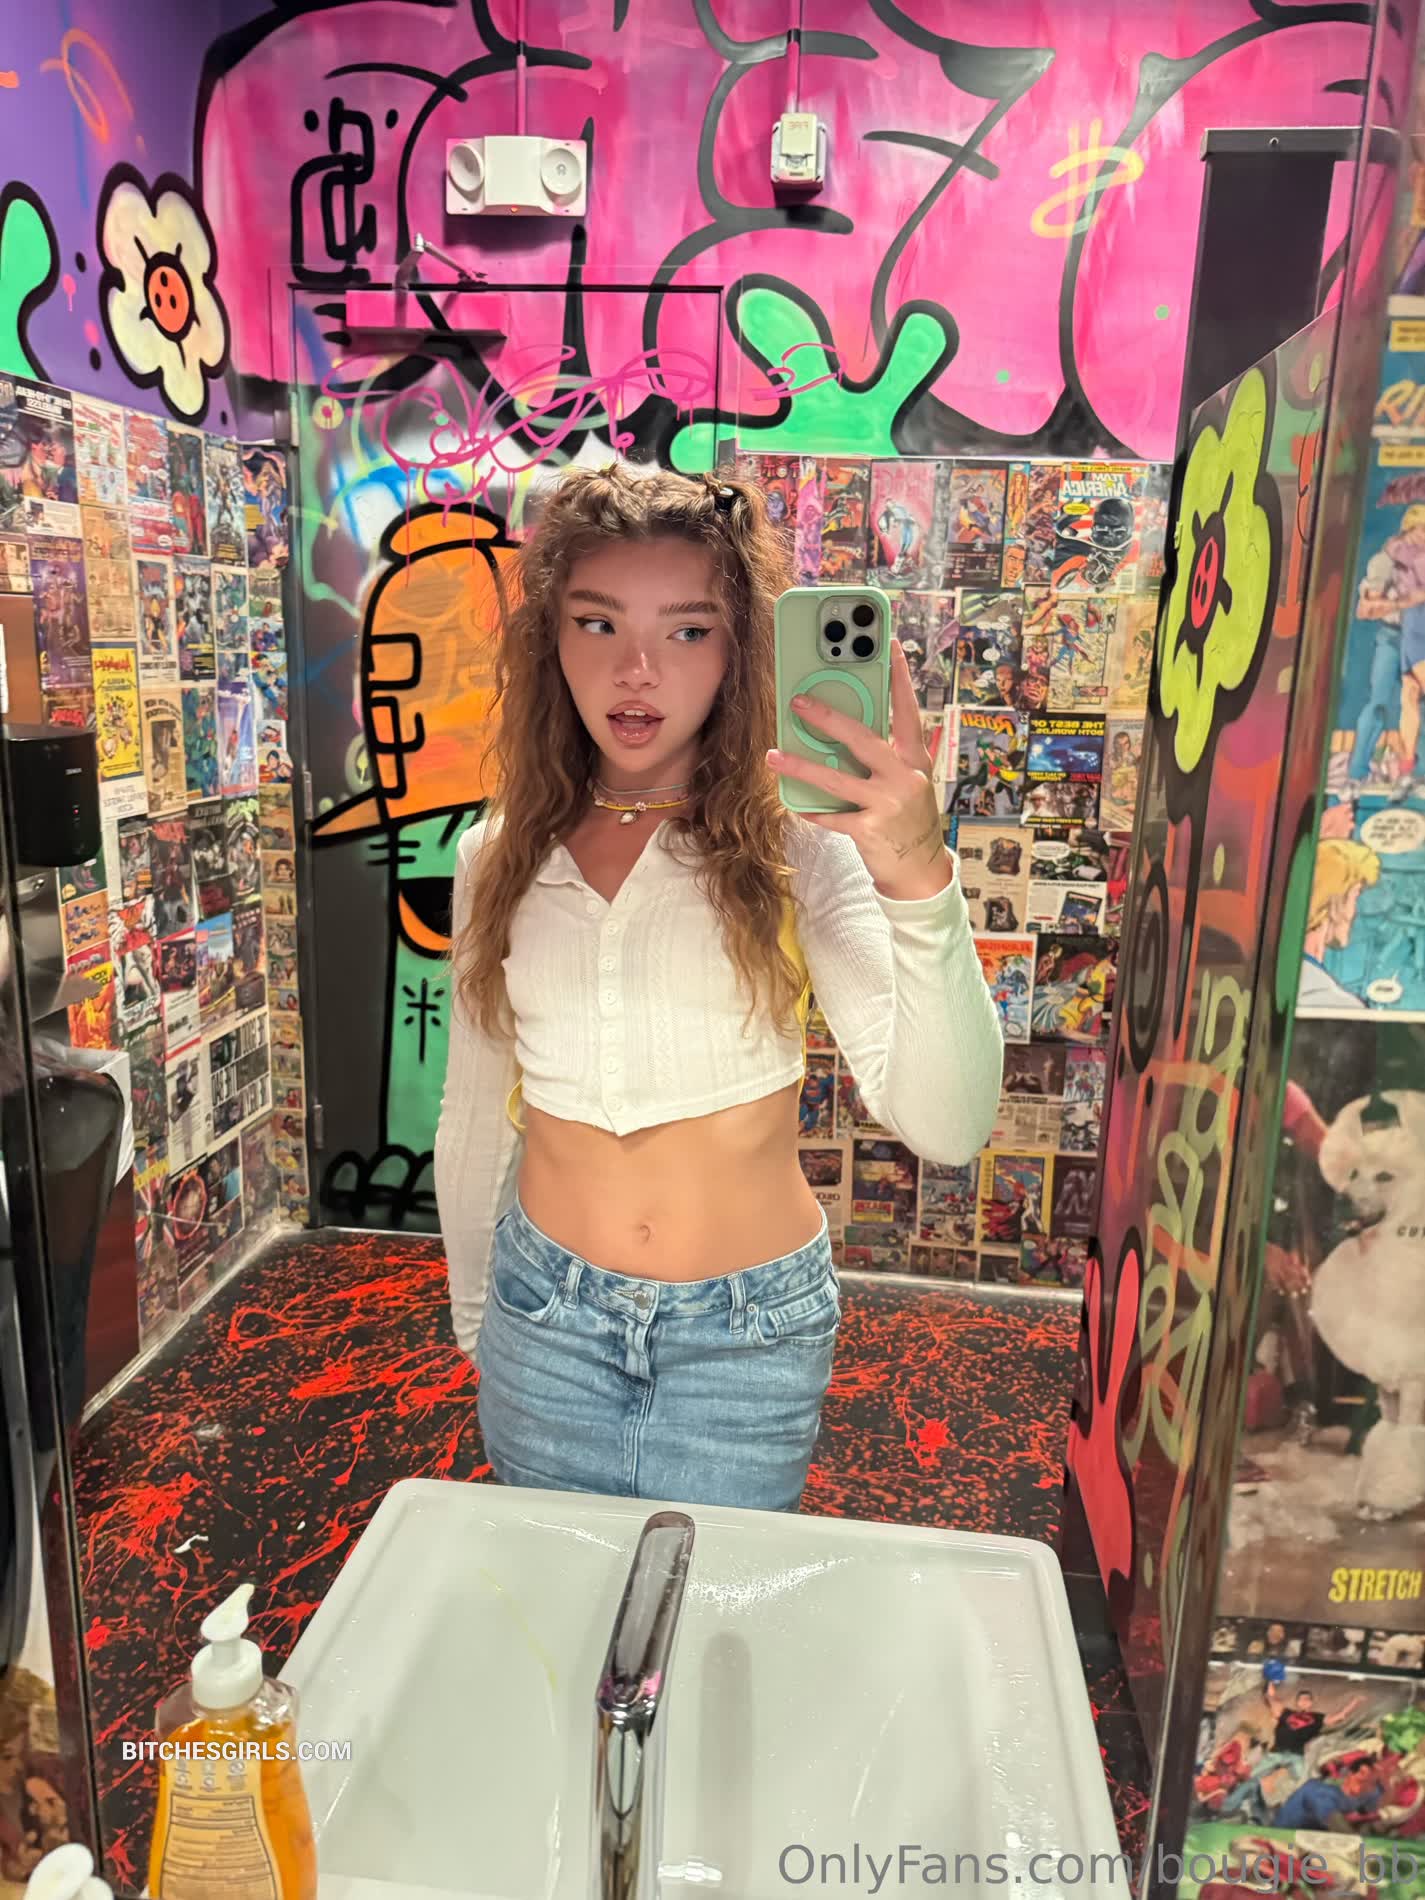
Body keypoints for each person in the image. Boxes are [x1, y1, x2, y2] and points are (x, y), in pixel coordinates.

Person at [435, 466, 1002, 1511]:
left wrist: (920, 876)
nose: (637, 670)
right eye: (598, 623)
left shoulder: (803, 850)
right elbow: (473, 1114)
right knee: (551, 1598)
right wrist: (480, 1322)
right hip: (542, 1324)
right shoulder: (496, 857)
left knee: (710, 1603)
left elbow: (950, 1124)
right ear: (550, 637)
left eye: (688, 631)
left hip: (744, 1341)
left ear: (738, 650)